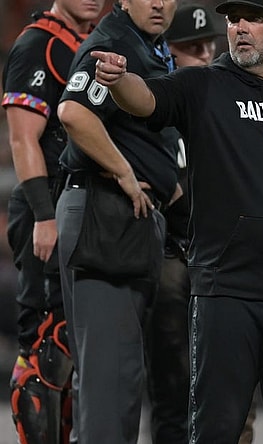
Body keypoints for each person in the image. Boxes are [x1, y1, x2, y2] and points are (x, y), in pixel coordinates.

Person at [91, 0, 263, 441]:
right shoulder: (202, 86)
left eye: (254, 18)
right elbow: (146, 101)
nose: (240, 27)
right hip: (228, 295)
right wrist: (119, 80)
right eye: (234, 18)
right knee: (216, 432)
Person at [54, 0, 178, 441]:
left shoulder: (153, 48)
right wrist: (126, 172)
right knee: (110, 382)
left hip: (130, 222)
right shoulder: (115, 42)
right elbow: (74, 112)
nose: (160, 3)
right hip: (104, 214)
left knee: (121, 378)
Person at [2, 0, 104, 442]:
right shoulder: (38, 45)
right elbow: (22, 137)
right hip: (47, 208)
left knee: (75, 349)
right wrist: (44, 215)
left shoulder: (97, 44)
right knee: (47, 345)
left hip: (84, 208)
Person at [143, 4, 226, 444]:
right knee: (174, 395)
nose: (206, 54)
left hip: (220, 263)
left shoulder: (227, 109)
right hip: (174, 255)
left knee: (231, 400)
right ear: (167, 52)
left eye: (210, 45)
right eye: (192, 47)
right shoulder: (155, 106)